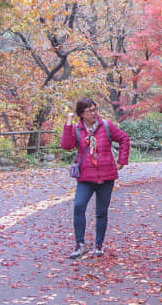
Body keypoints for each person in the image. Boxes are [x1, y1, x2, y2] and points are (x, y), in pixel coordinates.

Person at [61, 97, 130, 259]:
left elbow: (124, 139)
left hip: (106, 176)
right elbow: (66, 145)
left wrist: (121, 161)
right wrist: (68, 123)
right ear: (81, 114)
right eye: (90, 110)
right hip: (86, 177)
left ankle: (98, 245)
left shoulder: (106, 125)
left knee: (101, 212)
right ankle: (80, 245)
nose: (94, 113)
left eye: (95, 109)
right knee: (79, 207)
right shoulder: (77, 129)